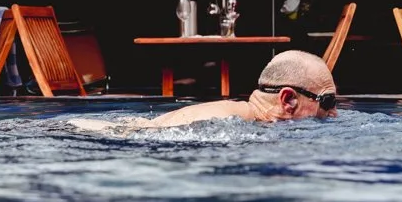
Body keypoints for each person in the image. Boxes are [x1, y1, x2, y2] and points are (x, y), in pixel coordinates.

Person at [71, 50, 337, 131]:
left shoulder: (242, 117)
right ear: (288, 99)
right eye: (327, 102)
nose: (334, 113)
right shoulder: (231, 124)